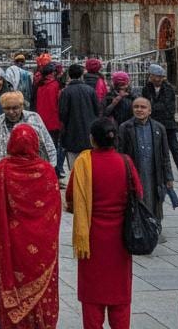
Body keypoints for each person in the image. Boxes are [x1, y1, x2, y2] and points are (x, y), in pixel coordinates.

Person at [66, 118, 142, 329]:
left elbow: (70, 197)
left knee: (93, 296)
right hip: (121, 240)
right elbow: (138, 192)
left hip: (91, 238)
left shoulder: (83, 163)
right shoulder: (125, 162)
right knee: (119, 294)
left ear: (92, 139)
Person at [0, 123, 61, 329]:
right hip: (43, 248)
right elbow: (55, 210)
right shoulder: (47, 171)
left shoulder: (1, 170)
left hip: (12, 245)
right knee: (44, 295)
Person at [117, 97, 172, 234]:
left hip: (154, 173)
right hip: (135, 172)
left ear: (149, 111)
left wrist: (168, 177)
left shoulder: (159, 128)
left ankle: (154, 228)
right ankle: (138, 229)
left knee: (154, 200)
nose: (139, 110)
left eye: (143, 107)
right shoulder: (125, 128)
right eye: (136, 107)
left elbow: (165, 155)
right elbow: (120, 153)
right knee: (136, 200)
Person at [142, 64, 178, 183]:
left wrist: (152, 108)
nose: (156, 79)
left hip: (167, 123)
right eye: (154, 76)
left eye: (158, 76)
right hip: (153, 122)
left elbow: (167, 106)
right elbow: (146, 104)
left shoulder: (168, 89)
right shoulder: (147, 88)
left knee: (175, 148)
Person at [0, 90, 56, 168]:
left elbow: (48, 145)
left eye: (15, 108)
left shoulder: (34, 119)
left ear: (22, 106)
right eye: (7, 108)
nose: (11, 112)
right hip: (6, 172)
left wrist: (50, 168)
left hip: (34, 170)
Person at [59, 62, 100, 174]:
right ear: (82, 75)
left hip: (72, 135)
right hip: (90, 135)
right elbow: (98, 110)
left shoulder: (66, 92)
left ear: (69, 75)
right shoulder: (90, 90)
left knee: (75, 170)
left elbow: (62, 114)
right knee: (90, 169)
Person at [35, 62, 64, 180]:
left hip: (41, 121)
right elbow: (59, 104)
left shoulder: (39, 85)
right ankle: (55, 174)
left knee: (43, 148)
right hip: (54, 121)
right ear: (52, 73)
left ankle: (45, 172)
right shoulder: (55, 85)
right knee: (54, 148)